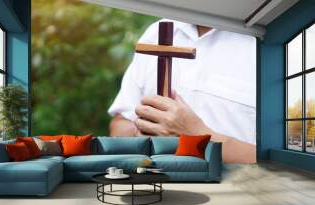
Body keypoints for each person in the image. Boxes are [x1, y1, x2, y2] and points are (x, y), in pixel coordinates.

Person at [108, 19, 257, 163]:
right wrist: (140, 133)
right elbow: (121, 123)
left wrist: (195, 135)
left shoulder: (266, 42)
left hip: (231, 186)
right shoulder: (156, 31)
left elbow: (276, 160)